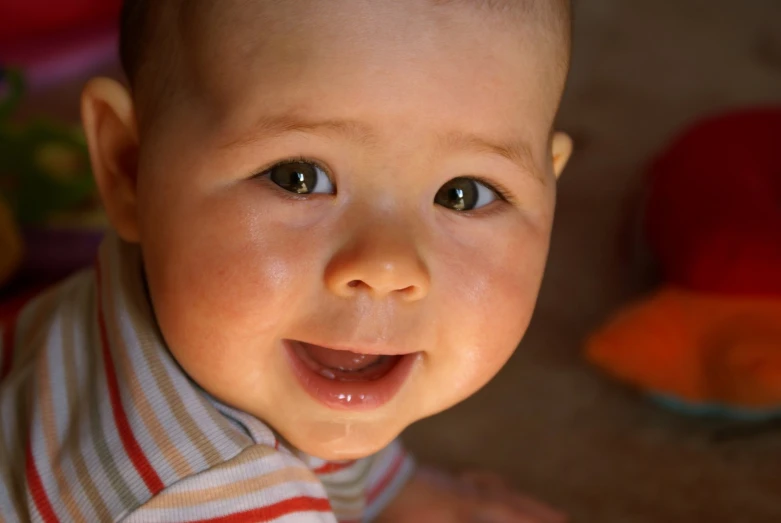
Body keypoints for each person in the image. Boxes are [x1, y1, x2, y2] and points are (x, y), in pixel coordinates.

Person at [0, 0, 574, 521]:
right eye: (298, 178)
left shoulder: (168, 309)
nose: (387, 266)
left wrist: (401, 492)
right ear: (130, 167)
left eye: (464, 193)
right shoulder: (199, 499)